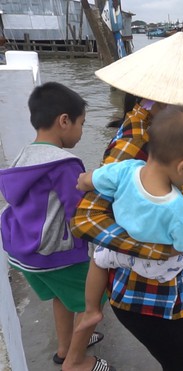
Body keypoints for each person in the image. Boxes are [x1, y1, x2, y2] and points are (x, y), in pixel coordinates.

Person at [71, 33, 183, 370]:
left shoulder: (167, 127)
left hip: (173, 265)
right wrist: (165, 248)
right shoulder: (135, 140)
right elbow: (86, 218)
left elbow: (167, 195)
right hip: (142, 280)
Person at [0, 82, 114, 371]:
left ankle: (66, 349)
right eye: (81, 124)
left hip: (23, 253)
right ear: (64, 121)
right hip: (56, 254)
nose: (82, 131)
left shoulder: (24, 156)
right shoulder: (64, 164)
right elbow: (80, 211)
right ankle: (75, 362)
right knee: (95, 299)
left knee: (62, 297)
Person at [75, 106, 183, 334]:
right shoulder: (177, 207)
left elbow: (91, 180)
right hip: (157, 267)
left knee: (97, 258)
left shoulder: (125, 169)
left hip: (122, 253)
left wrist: (83, 182)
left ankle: (91, 310)